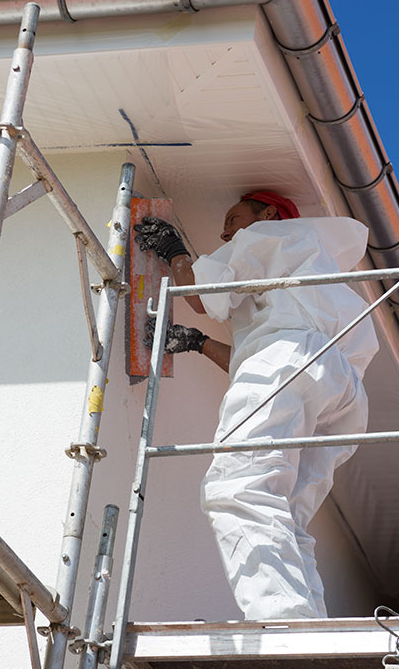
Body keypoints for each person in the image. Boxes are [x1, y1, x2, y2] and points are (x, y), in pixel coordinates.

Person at [135, 192, 379, 620]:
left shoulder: (271, 234)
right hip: (343, 394)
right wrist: (196, 342)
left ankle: (285, 625)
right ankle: (308, 625)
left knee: (237, 487)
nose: (226, 231)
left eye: (233, 218)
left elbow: (203, 295)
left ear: (267, 214)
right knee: (285, 513)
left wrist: (174, 250)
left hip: (296, 365)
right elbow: (268, 363)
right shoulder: (309, 277)